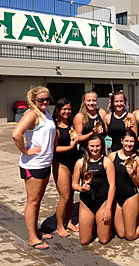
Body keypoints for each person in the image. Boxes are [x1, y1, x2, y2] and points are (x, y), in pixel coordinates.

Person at [12, 86, 56, 250]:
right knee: (33, 201)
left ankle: (36, 231)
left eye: (47, 99)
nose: (45, 102)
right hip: (34, 165)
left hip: (44, 163)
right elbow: (16, 134)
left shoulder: (45, 113)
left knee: (37, 201)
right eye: (41, 100)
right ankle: (32, 238)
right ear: (33, 100)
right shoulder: (32, 113)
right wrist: (25, 150)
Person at [72, 135, 115, 245]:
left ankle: (108, 225)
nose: (95, 149)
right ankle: (94, 223)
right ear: (87, 146)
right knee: (84, 241)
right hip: (86, 203)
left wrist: (108, 208)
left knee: (104, 240)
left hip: (102, 202)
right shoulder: (80, 163)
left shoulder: (107, 162)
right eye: (92, 146)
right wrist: (81, 188)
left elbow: (112, 186)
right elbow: (74, 184)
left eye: (97, 146)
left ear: (102, 146)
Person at [109, 130, 139, 240]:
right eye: (126, 141)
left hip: (130, 196)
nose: (129, 144)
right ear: (121, 141)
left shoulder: (137, 159)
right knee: (121, 234)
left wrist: (133, 175)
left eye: (131, 141)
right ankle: (133, 220)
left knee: (130, 236)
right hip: (117, 199)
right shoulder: (112, 156)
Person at [52, 98, 80, 237]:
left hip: (73, 162)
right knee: (65, 196)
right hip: (61, 164)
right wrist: (70, 146)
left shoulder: (72, 123)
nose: (67, 112)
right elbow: (54, 149)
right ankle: (59, 226)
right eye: (64, 109)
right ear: (58, 110)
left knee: (72, 196)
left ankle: (69, 222)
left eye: (69, 109)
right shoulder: (55, 128)